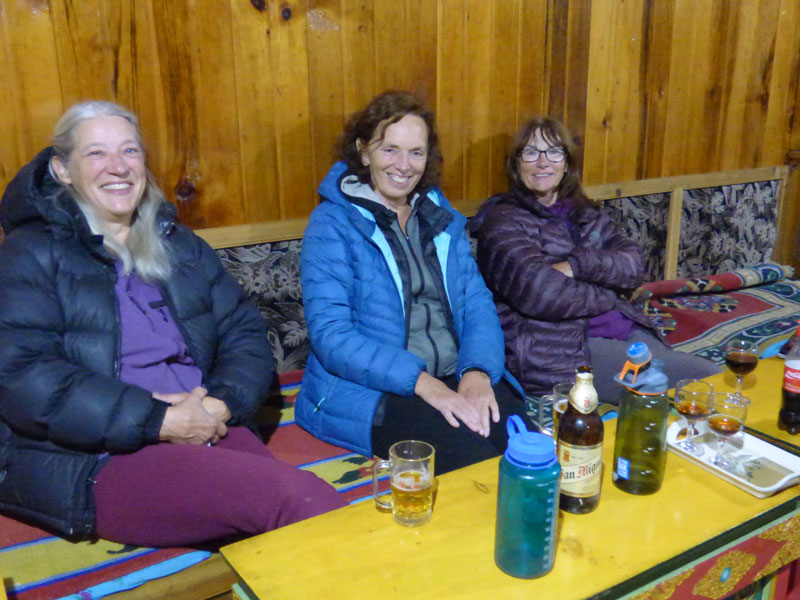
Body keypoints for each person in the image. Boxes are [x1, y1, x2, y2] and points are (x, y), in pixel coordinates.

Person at [0, 101, 345, 547]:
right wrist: (159, 420)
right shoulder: (28, 255)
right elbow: (24, 377)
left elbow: (244, 334)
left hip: (204, 422)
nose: (118, 166)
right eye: (96, 153)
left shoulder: (178, 245)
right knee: (296, 498)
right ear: (63, 169)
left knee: (283, 531)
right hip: (99, 455)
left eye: (129, 150)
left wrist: (221, 403)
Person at [296, 90, 532, 474]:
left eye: (416, 152)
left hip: (455, 372)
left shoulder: (439, 216)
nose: (403, 165)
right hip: (377, 389)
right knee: (475, 465)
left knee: (531, 453)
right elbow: (332, 336)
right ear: (363, 151)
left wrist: (477, 373)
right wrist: (425, 384)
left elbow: (477, 303)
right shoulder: (333, 224)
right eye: (390, 150)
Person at [469, 116, 720, 402]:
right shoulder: (502, 223)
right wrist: (608, 291)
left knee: (681, 385)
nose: (543, 162)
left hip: (621, 328)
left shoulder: (584, 213)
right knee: (704, 380)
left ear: (567, 163)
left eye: (554, 152)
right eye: (530, 152)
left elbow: (634, 266)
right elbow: (541, 292)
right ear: (517, 164)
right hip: (558, 351)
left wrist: (577, 266)